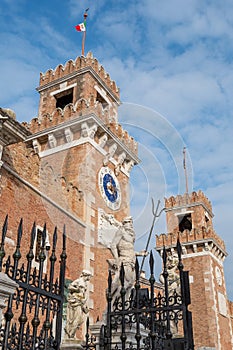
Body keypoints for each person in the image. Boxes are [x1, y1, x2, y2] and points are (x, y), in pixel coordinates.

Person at [107, 216, 136, 305]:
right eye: (128, 222)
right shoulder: (121, 232)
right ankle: (112, 302)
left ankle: (124, 306)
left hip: (132, 262)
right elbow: (113, 245)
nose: (131, 224)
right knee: (125, 284)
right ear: (124, 223)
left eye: (131, 222)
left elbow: (130, 250)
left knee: (130, 284)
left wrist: (140, 253)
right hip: (124, 261)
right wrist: (116, 259)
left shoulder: (130, 236)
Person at [65, 270, 92, 339]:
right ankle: (70, 334)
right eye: (89, 276)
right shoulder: (79, 281)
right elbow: (70, 287)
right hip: (75, 301)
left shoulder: (84, 283)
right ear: (86, 275)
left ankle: (72, 334)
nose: (90, 278)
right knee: (76, 318)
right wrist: (76, 289)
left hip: (80, 301)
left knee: (80, 319)